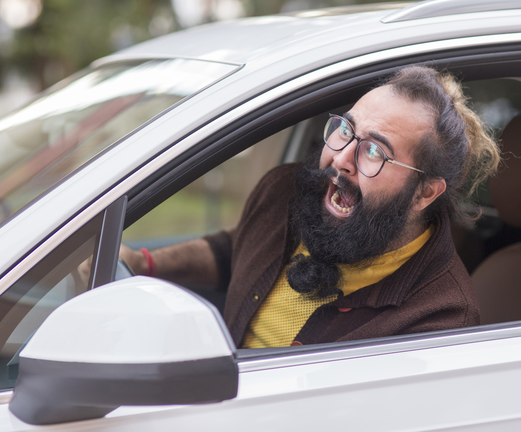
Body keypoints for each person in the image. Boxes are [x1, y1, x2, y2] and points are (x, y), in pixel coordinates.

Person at [120, 65, 501, 348]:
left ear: (424, 193)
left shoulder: (441, 317)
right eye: (346, 130)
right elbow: (240, 249)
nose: (341, 158)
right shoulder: (284, 192)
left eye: (374, 151)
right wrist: (145, 265)